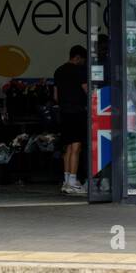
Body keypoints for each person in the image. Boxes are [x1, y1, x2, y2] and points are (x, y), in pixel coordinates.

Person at [53, 45, 88, 196]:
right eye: (83, 59)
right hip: (77, 111)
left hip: (63, 112)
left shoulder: (58, 71)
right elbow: (87, 90)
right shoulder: (79, 71)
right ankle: (73, 182)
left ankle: (66, 181)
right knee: (76, 147)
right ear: (78, 57)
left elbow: (55, 96)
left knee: (67, 147)